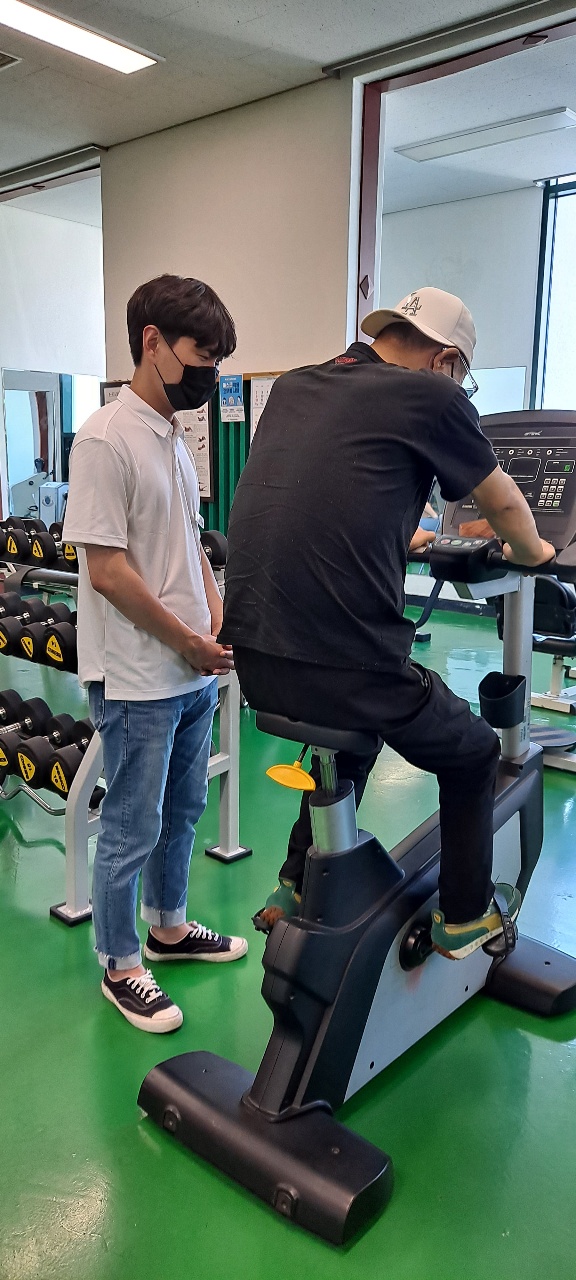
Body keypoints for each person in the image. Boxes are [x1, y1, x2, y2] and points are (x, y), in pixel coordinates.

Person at [221, 286, 555, 959]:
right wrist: (536, 554)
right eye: (461, 374)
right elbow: (506, 507)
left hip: (253, 659)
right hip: (344, 666)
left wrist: (402, 535)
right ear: (445, 359)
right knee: (474, 751)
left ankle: (295, 882)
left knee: (353, 733)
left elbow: (322, 499)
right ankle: (465, 917)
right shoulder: (431, 396)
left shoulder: (295, 386)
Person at [64, 274, 248, 1033]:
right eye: (202, 355)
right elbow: (107, 571)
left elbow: (191, 544)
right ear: (152, 343)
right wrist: (186, 641)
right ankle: (120, 964)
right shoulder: (104, 438)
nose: (210, 373)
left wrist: (216, 615)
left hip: (191, 667)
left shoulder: (173, 438)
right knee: (131, 826)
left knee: (184, 809)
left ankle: (168, 928)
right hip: (139, 676)